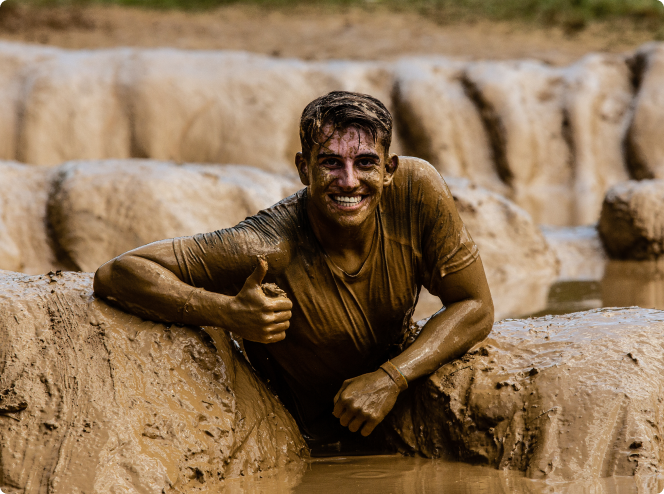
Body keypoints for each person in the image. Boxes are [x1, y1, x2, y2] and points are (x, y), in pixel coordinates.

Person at [93, 91, 494, 455]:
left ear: (390, 169)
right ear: (304, 169)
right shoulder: (268, 245)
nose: (350, 181)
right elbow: (118, 273)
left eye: (365, 163)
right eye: (331, 163)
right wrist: (226, 313)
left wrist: (392, 378)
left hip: (398, 418)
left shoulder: (417, 191)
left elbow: (475, 304)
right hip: (299, 441)